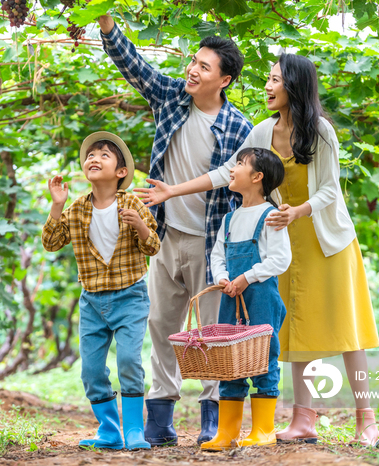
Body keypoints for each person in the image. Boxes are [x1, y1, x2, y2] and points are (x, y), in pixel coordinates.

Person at [136, 53, 379, 448]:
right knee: (294, 328)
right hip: (282, 242)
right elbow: (226, 172)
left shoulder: (319, 131)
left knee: (346, 329)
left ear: (295, 87)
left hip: (325, 239)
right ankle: (303, 419)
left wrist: (297, 211)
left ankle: (365, 420)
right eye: (268, 79)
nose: (268, 87)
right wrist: (172, 190)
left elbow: (330, 189)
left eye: (275, 81)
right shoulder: (262, 131)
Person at [98, 14, 253, 446]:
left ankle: (212, 418)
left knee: (210, 334)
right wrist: (108, 25)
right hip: (166, 237)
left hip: (211, 241)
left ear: (223, 80)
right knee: (163, 325)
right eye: (194, 62)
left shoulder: (238, 127)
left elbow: (236, 186)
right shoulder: (170, 98)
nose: (193, 70)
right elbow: (133, 65)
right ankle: (160, 418)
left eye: (205, 67)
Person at [42, 132, 161, 450]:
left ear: (121, 172)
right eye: (90, 155)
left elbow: (153, 247)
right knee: (91, 369)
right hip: (92, 301)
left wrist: (139, 225)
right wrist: (57, 205)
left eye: (104, 155)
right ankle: (109, 430)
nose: (94, 158)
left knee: (128, 361)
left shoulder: (132, 203)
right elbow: (52, 242)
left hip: (130, 297)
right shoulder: (78, 208)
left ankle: (135, 429)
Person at [201, 147, 290, 450]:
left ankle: (263, 430)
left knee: (263, 357)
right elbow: (217, 256)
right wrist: (223, 278)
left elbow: (280, 260)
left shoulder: (271, 216)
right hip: (231, 298)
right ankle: (227, 433)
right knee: (229, 359)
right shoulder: (230, 218)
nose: (232, 168)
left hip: (261, 296)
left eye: (239, 163)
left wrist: (246, 277)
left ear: (256, 177)